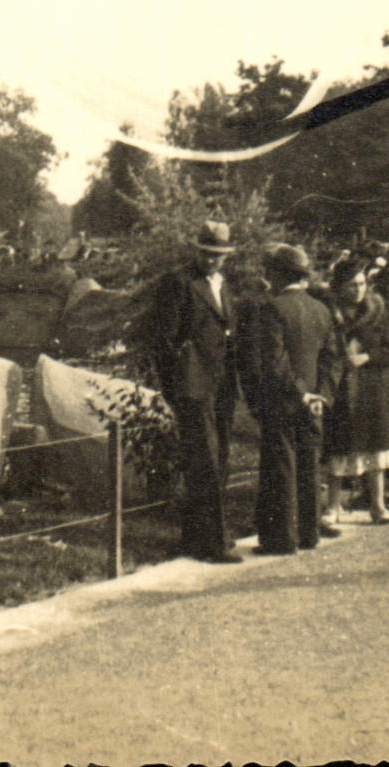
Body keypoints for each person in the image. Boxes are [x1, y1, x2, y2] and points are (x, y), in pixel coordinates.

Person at [147, 221, 243, 563]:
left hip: (223, 385)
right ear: (197, 251)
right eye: (207, 254)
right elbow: (163, 340)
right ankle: (213, 544)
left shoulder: (223, 285)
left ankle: (195, 539)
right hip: (194, 385)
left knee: (218, 460)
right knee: (205, 462)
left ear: (227, 257)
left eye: (219, 255)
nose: (212, 261)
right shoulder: (179, 283)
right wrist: (175, 388)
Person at [240, 244, 345, 554]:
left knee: (281, 467)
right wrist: (321, 395)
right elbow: (333, 359)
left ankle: (281, 539)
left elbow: (275, 362)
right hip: (314, 404)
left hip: (285, 400)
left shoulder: (272, 309)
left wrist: (300, 393)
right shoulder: (321, 309)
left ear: (277, 275)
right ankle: (309, 534)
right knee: (310, 465)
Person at [321, 256, 389, 526]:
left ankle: (377, 506)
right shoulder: (329, 315)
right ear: (339, 287)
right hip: (341, 388)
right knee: (339, 448)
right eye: (351, 285)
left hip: (370, 388)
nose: (358, 290)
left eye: (361, 284)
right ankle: (333, 506)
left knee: (375, 448)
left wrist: (367, 357)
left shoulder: (376, 312)